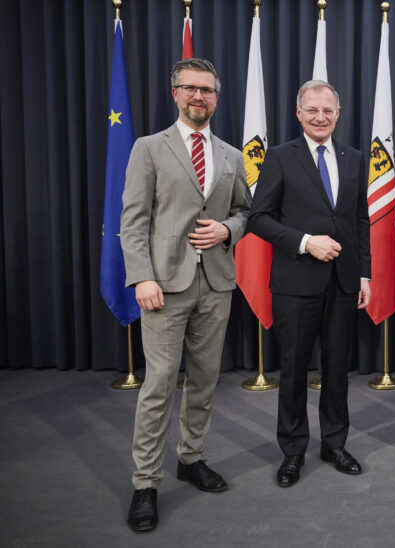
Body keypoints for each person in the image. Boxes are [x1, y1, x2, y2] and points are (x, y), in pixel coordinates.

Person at [120, 58, 251, 532]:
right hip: (163, 285)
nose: (199, 96)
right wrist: (142, 277)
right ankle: (145, 484)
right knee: (158, 386)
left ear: (217, 97)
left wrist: (227, 229)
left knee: (205, 380)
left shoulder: (231, 155)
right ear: (175, 93)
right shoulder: (148, 148)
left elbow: (245, 212)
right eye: (191, 88)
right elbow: (133, 220)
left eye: (207, 90)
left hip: (216, 284)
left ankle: (191, 458)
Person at [247, 80, 371, 488]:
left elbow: (359, 220)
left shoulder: (354, 159)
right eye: (312, 110)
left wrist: (364, 274)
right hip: (296, 282)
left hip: (343, 282)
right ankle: (293, 450)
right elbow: (259, 218)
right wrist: (304, 242)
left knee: (337, 370)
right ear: (298, 113)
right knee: (294, 369)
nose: (320, 117)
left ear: (338, 114)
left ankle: (335, 444)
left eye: (328, 110)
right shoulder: (280, 157)